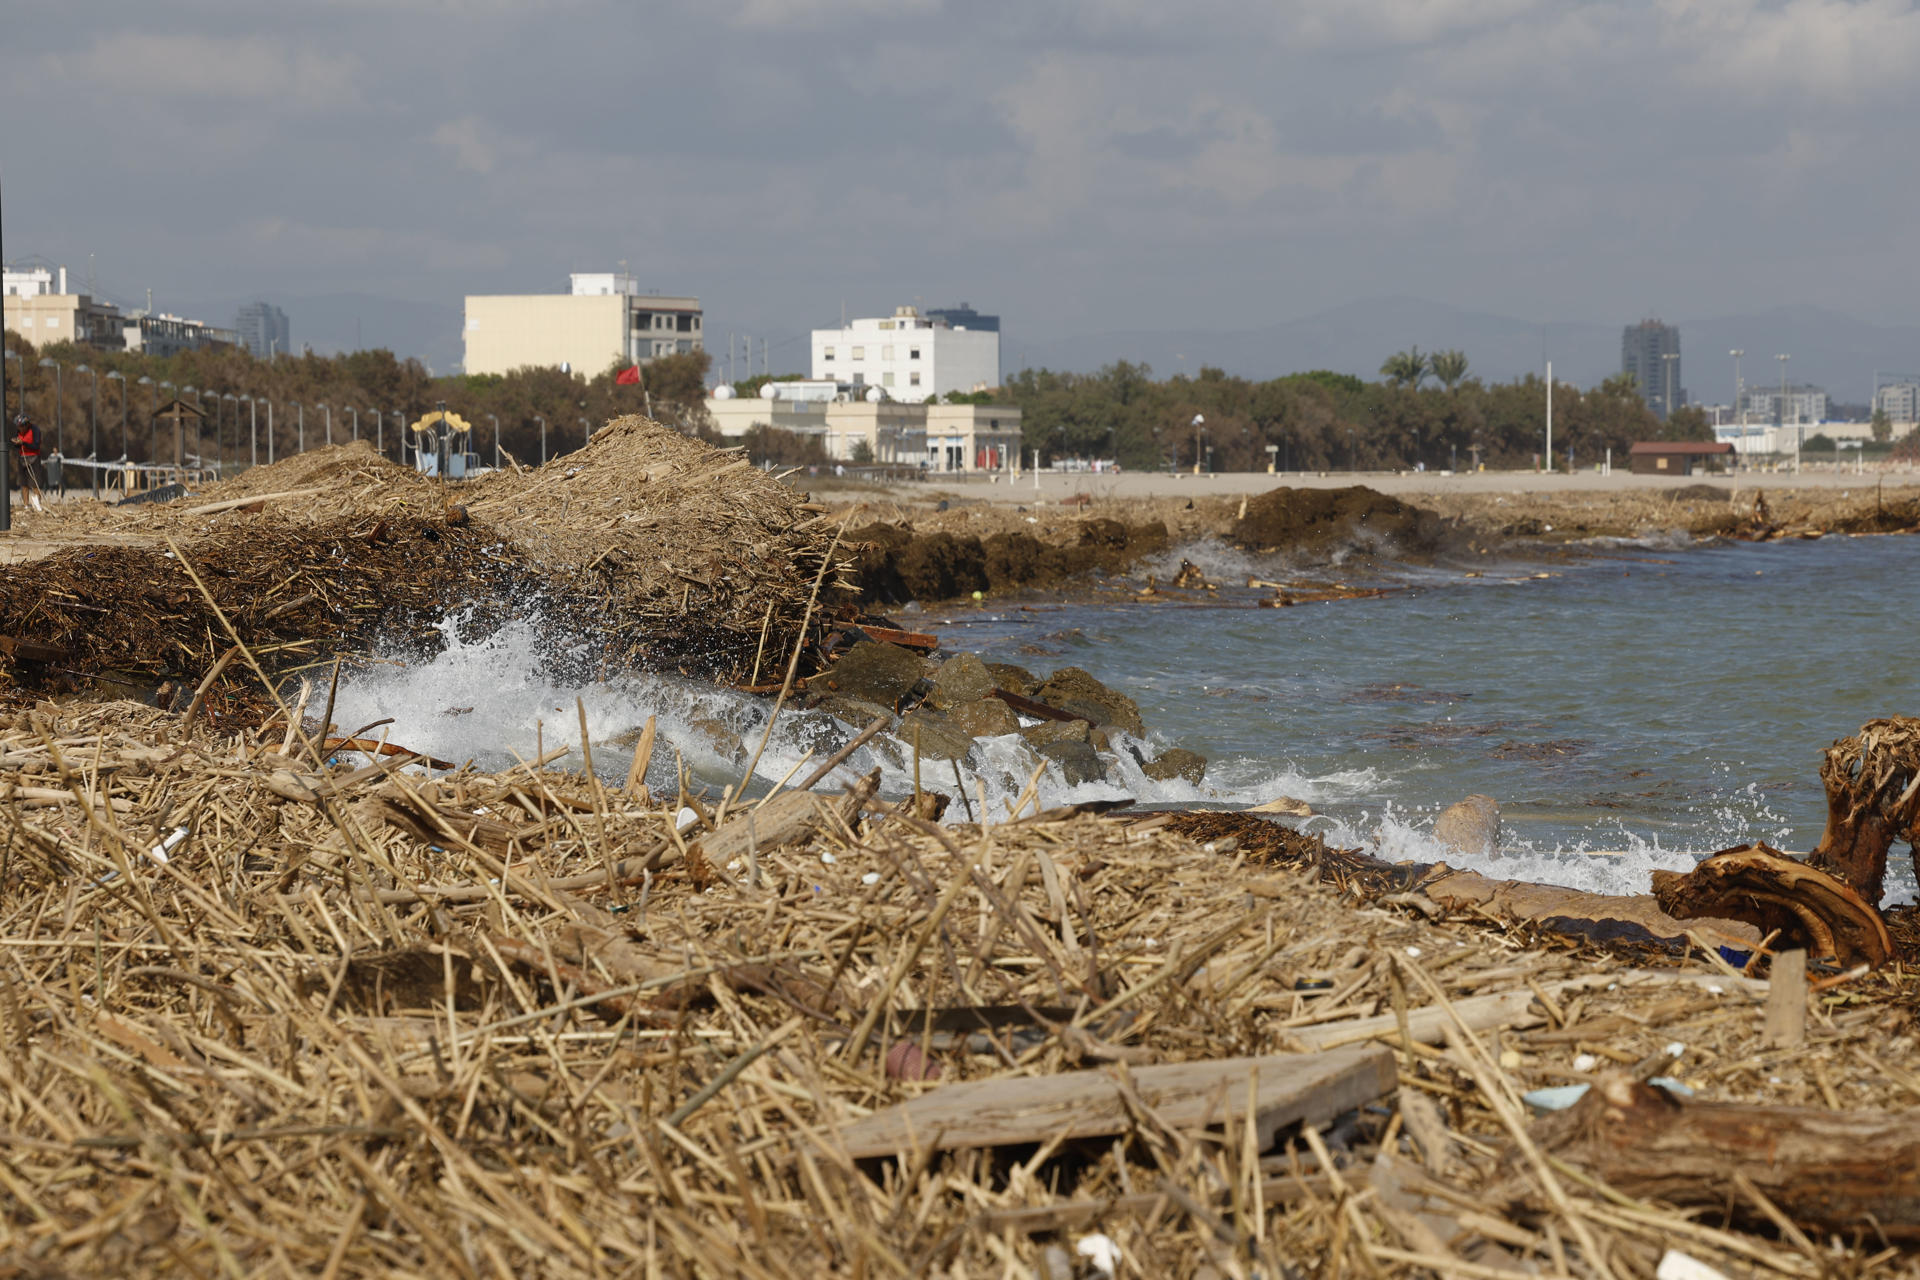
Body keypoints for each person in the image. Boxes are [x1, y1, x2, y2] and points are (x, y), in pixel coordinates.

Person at [9, 413, 46, 512]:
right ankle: (26, 505)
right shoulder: (19, 431)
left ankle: (38, 506)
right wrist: (16, 443)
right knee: (23, 484)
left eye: (21, 426)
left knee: (34, 483)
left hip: (34, 458)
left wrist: (23, 443)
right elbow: (18, 446)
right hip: (22, 458)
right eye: (18, 426)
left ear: (26, 424)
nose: (20, 428)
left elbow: (36, 446)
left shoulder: (35, 430)